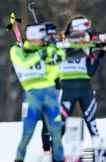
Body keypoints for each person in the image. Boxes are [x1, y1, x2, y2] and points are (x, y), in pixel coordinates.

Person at [11, 24, 65, 162]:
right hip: (32, 95)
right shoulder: (18, 50)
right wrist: (40, 53)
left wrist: (56, 52)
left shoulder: (45, 50)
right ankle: (18, 159)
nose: (43, 41)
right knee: (27, 133)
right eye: (41, 38)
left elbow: (54, 72)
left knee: (56, 133)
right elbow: (23, 63)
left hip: (50, 94)